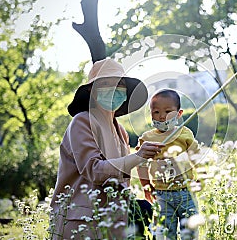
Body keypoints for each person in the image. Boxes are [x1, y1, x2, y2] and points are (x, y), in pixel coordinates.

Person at [50, 58, 164, 239]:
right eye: (105, 83)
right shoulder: (82, 121)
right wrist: (138, 156)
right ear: (91, 90)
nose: (114, 88)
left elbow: (120, 177)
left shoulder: (121, 131)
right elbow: (94, 170)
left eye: (120, 84)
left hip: (113, 221)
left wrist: (147, 184)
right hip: (82, 222)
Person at [136, 89, 199, 240]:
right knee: (165, 232)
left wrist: (200, 177)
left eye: (168, 111)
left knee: (189, 231)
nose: (162, 116)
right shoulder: (147, 138)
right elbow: (141, 163)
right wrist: (146, 185)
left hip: (186, 192)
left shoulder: (185, 134)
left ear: (179, 113)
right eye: (156, 112)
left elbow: (196, 157)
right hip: (161, 193)